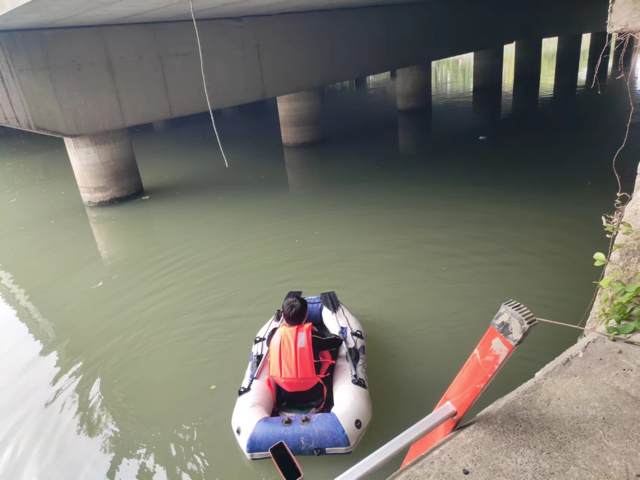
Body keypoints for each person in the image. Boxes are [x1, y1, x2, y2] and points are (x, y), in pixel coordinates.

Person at [267, 295, 342, 410]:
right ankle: (328, 403)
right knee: (330, 353)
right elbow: (336, 342)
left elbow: (269, 345)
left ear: (283, 316)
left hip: (284, 394)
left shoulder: (273, 335)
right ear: (306, 315)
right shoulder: (312, 337)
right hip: (312, 393)